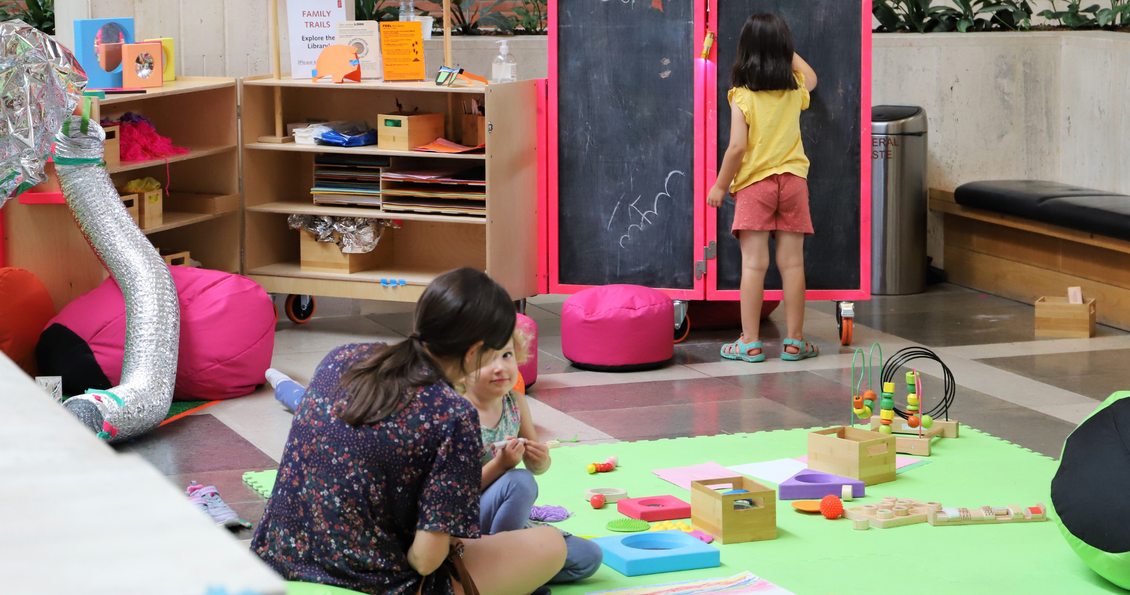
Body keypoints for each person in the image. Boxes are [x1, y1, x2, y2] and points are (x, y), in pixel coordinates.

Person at [251, 268, 566, 595]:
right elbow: (426, 561)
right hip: (374, 583)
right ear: (474, 352)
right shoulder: (453, 412)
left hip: (276, 564)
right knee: (551, 544)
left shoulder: (341, 357)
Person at [707, 13, 820, 363]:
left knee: (754, 266)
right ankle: (795, 341)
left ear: (745, 51)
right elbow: (813, 77)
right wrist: (783, 49)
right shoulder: (794, 90)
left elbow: (737, 147)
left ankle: (750, 342)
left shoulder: (741, 96)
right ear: (785, 50)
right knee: (793, 266)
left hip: (755, 185)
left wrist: (720, 185)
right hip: (793, 183)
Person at [458, 330, 603, 587]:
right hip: (467, 524)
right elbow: (455, 493)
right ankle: (500, 566)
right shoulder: (457, 415)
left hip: (507, 521)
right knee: (519, 481)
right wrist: (500, 465)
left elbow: (536, 464)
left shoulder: (515, 402)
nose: (500, 367)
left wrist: (540, 461)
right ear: (459, 368)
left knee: (589, 557)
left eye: (506, 355)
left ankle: (506, 574)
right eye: (487, 360)